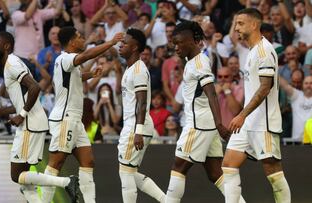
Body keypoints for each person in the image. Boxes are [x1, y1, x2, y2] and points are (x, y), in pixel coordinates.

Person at [0, 31, 79, 203]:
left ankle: (67, 182)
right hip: (32, 123)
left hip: (30, 124)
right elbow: (21, 101)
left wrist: (21, 115)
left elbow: (35, 88)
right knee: (25, 182)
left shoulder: (12, 64)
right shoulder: (10, 64)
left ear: (6, 46)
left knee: (16, 175)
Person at [165, 20, 245, 203]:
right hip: (205, 123)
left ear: (194, 41)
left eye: (179, 42)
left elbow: (212, 95)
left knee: (178, 167)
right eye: (174, 43)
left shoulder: (200, 63)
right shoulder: (193, 60)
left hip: (198, 124)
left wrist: (219, 125)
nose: (176, 47)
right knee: (215, 172)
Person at [44, 26, 124, 203]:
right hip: (65, 118)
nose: (83, 40)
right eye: (80, 37)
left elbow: (73, 78)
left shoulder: (65, 62)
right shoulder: (66, 58)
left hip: (75, 120)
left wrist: (89, 75)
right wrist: (110, 42)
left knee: (88, 161)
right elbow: (87, 55)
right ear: (72, 42)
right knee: (56, 163)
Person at [222, 8, 291, 203]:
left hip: (264, 123)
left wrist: (242, 115)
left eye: (240, 23)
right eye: (236, 24)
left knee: (273, 171)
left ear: (254, 24)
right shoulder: (252, 51)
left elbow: (265, 88)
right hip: (248, 122)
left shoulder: (264, 51)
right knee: (228, 164)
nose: (236, 28)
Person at [118, 28, 165, 203]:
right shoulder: (130, 68)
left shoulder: (138, 69)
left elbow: (142, 102)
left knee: (126, 173)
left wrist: (137, 131)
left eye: (125, 42)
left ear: (135, 47)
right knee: (130, 172)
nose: (120, 45)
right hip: (134, 126)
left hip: (136, 126)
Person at [279, 75, 312, 143]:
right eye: (306, 83)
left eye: (311, 83)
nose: (308, 85)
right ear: (302, 85)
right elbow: (284, 85)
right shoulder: (296, 96)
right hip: (296, 141)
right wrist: (273, 68)